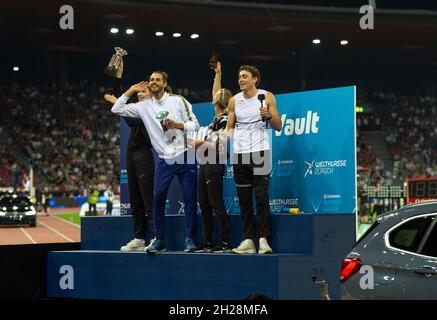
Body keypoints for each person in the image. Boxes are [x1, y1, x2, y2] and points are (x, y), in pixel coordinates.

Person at [111, 71, 200, 253]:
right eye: (151, 79)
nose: (153, 82)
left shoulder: (178, 100)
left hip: (185, 155)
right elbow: (116, 109)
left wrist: (179, 125)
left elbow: (195, 124)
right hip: (164, 158)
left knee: (190, 199)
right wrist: (130, 90)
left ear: (164, 83)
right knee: (157, 198)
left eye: (157, 79)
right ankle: (159, 239)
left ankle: (190, 239)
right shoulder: (143, 106)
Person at [225, 65, 282, 254]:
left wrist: (268, 116)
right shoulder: (234, 101)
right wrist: (225, 136)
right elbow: (230, 127)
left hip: (260, 151)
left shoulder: (267, 96)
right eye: (239, 77)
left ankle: (264, 240)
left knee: (261, 197)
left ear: (254, 79)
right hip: (239, 154)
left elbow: (278, 125)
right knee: (244, 200)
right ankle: (248, 240)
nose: (240, 80)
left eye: (244, 76)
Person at [104, 60, 156, 252]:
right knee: (135, 199)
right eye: (139, 92)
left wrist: (114, 102)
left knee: (147, 198)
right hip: (131, 153)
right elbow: (119, 99)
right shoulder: (137, 108)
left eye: (145, 92)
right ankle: (139, 237)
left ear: (151, 97)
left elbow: (132, 121)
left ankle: (156, 237)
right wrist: (119, 76)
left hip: (144, 155)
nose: (140, 93)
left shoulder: (152, 111)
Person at [192, 61, 232, 253]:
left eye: (214, 97)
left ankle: (224, 242)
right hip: (205, 163)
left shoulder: (224, 119)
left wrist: (201, 143)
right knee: (204, 203)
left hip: (215, 162)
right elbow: (217, 91)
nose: (212, 97)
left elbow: (221, 144)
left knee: (216, 203)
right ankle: (207, 241)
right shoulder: (216, 118)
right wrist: (218, 74)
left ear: (217, 101)